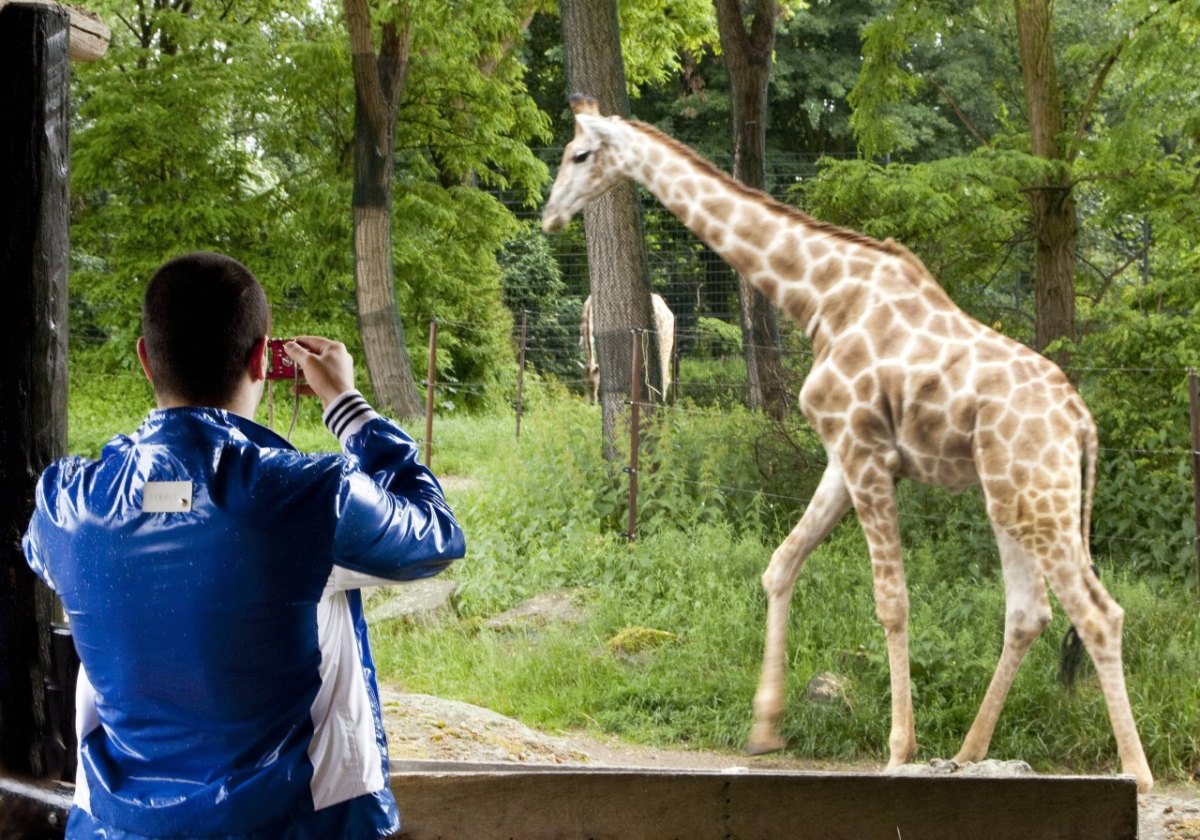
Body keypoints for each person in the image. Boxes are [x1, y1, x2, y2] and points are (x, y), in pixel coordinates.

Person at [22, 251, 465, 839]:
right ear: (262, 359)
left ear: (145, 358)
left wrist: (145, 470)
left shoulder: (66, 503)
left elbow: (61, 544)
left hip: (112, 827)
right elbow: (436, 534)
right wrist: (347, 405)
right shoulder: (310, 496)